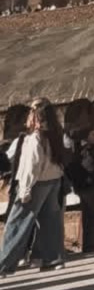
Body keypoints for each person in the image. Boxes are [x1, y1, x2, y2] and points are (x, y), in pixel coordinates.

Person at [0, 100, 66, 274]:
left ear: (36, 118)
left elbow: (32, 166)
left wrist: (25, 189)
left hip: (36, 183)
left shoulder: (35, 139)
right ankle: (53, 258)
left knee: (17, 222)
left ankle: (4, 263)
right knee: (50, 220)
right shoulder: (55, 136)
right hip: (53, 180)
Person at [68, 127, 94, 254]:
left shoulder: (88, 149)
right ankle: (93, 244)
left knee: (90, 214)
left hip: (87, 185)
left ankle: (91, 244)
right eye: (93, 134)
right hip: (89, 185)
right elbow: (93, 166)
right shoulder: (87, 151)